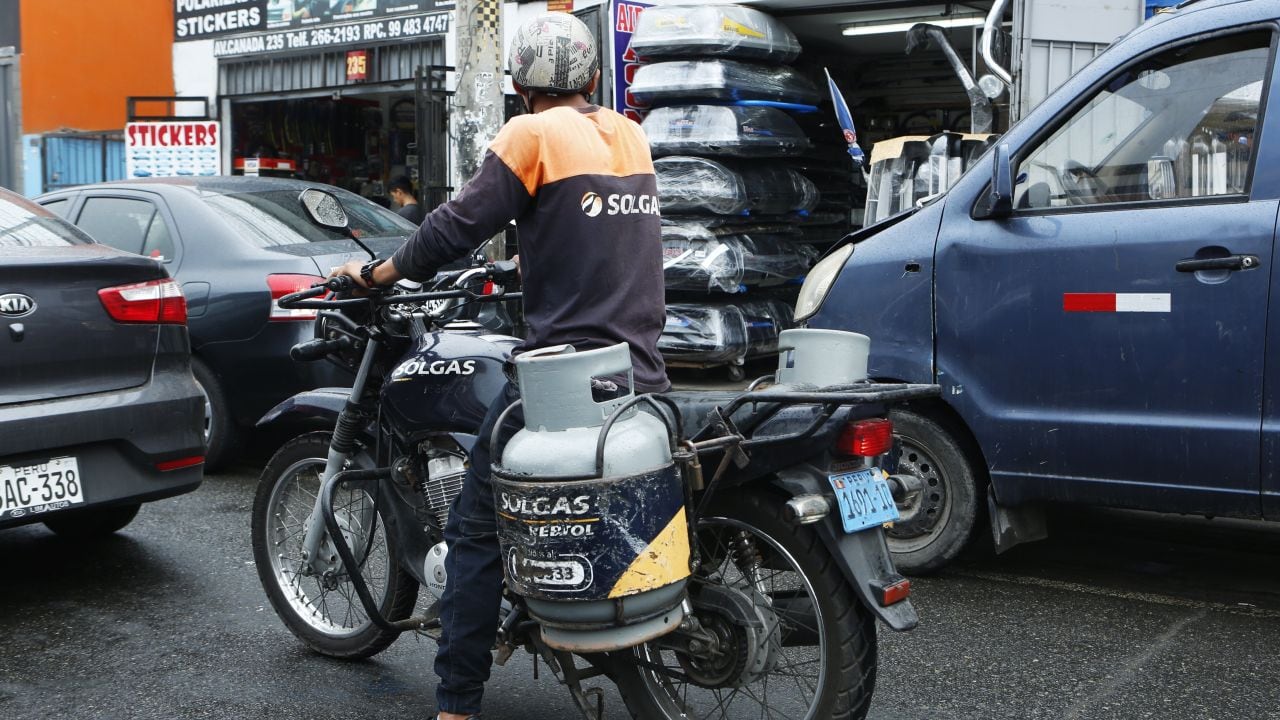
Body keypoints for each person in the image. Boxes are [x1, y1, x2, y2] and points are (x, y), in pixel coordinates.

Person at [327, 12, 668, 720]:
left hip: (563, 379)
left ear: (518, 85)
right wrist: (523, 261)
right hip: (639, 370)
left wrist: (381, 272)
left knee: (475, 533)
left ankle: (455, 704)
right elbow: (594, 231)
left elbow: (454, 228)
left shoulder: (529, 135)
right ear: (595, 79)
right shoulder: (629, 133)